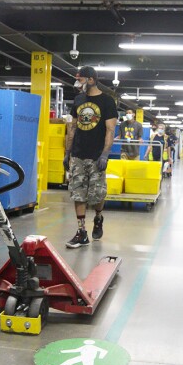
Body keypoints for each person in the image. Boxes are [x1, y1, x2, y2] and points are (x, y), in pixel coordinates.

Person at [64, 66, 118, 247]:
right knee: (78, 193)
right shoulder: (78, 100)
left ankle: (98, 217)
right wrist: (67, 153)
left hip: (96, 155)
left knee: (97, 194)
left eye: (80, 79)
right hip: (78, 154)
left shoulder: (107, 101)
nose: (78, 83)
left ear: (91, 80)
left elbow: (110, 130)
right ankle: (81, 232)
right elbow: (71, 128)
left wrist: (105, 154)